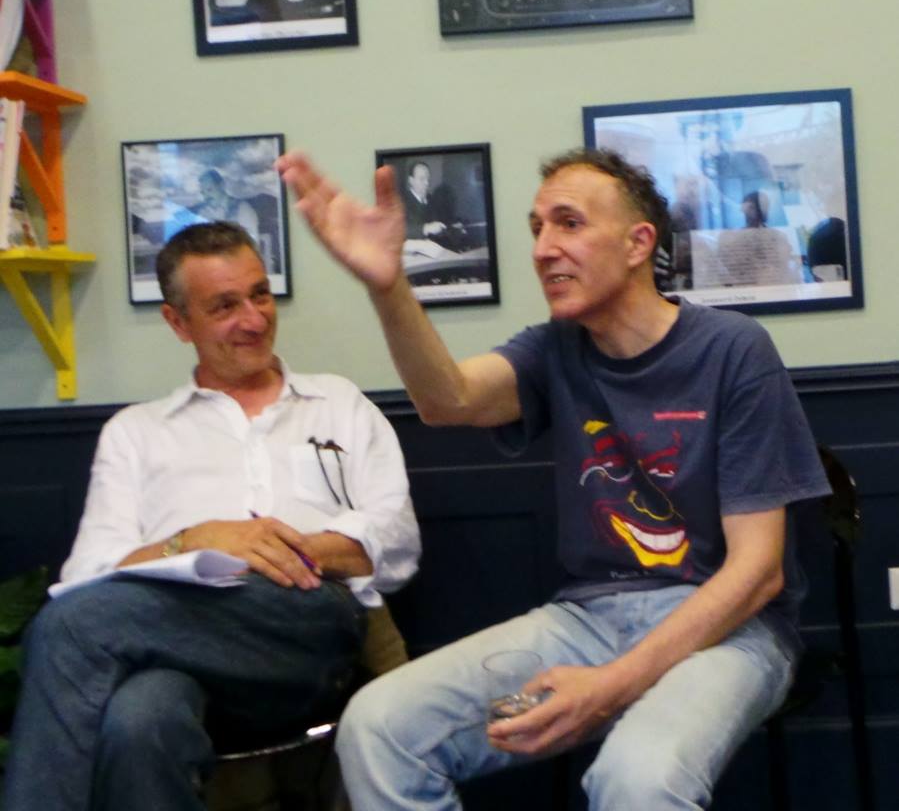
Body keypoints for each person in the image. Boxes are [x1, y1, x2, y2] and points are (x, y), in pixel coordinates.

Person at [277, 146, 829, 811]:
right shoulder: (553, 348)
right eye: (537, 228)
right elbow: (447, 400)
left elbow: (757, 573)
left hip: (729, 630)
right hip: (588, 619)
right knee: (378, 727)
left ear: (637, 244)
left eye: (568, 223)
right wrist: (387, 285)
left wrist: (611, 686)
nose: (542, 249)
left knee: (638, 778)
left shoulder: (732, 348)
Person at [1, 221, 420, 811]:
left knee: (66, 630)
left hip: (306, 631)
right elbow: (88, 576)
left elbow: (397, 541)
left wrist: (274, 549)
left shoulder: (339, 404)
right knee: (138, 720)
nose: (253, 319)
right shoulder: (135, 433)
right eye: (225, 306)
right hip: (174, 649)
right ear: (178, 323)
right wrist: (194, 542)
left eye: (259, 295)